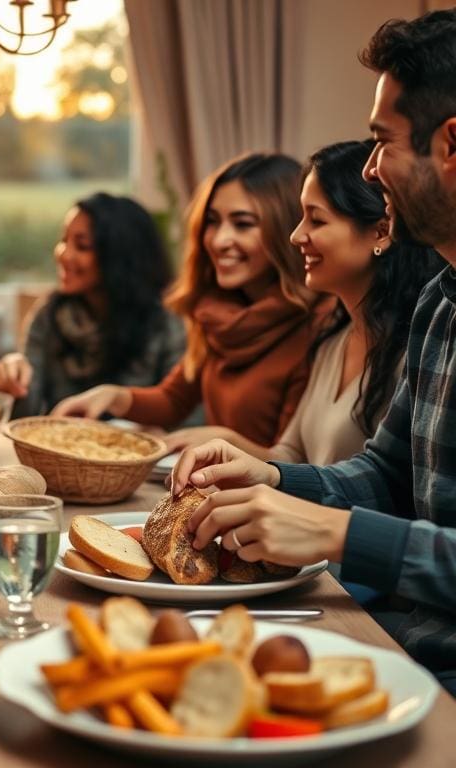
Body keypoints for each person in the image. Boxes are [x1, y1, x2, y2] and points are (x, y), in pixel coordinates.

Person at [171, 9, 456, 693]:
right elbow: (386, 473)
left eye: (383, 142)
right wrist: (272, 480)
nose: (371, 168)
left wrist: (336, 535)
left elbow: (365, 527)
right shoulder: (441, 301)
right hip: (394, 652)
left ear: (451, 145)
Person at [164, 140, 444, 464]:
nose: (296, 236)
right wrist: (224, 443)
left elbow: (391, 493)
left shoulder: (415, 352)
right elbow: (291, 456)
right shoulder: (333, 341)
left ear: (381, 232)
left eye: (317, 220)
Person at [53, 154, 329, 446]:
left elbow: (294, 464)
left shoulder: (317, 329)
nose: (219, 240)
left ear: (288, 229)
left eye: (243, 224)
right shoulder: (220, 315)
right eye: (212, 222)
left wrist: (223, 440)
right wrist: (113, 395)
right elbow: (173, 399)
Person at [0, 192, 185, 418]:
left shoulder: (166, 324)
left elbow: (184, 419)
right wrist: (11, 386)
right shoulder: (49, 314)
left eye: (82, 246)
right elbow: (26, 418)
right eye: (64, 240)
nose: (63, 254)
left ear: (119, 256)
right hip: (59, 450)